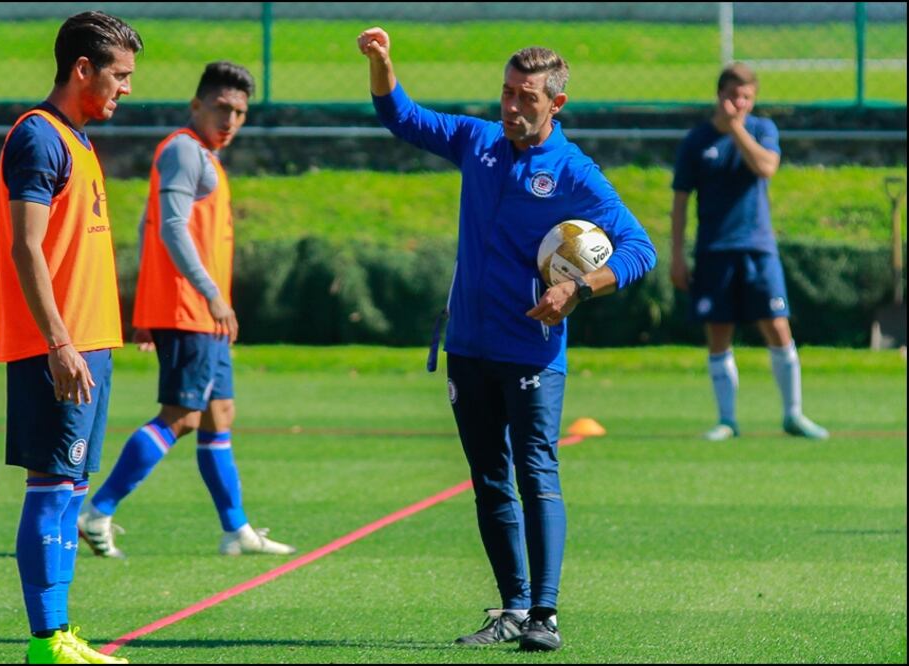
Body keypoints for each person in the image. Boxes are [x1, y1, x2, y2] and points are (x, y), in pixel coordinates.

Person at [357, 27, 656, 652]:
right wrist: (382, 64)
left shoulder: (575, 173)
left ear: (556, 105)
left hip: (532, 354)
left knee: (535, 471)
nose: (512, 107)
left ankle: (545, 613)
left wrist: (577, 290)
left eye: (526, 97)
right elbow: (401, 116)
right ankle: (513, 608)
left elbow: (639, 248)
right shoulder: (479, 142)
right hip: (468, 346)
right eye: (507, 93)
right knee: (489, 479)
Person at [78, 61, 296, 559]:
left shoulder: (203, 155)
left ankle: (235, 530)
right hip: (190, 309)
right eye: (221, 108)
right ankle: (99, 511)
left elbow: (145, 222)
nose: (231, 120)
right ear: (196, 105)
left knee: (219, 414)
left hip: (199, 313)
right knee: (181, 416)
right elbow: (170, 228)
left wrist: (145, 306)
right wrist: (209, 294)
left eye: (239, 112)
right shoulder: (183, 150)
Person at [0, 10, 141, 665]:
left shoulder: (78, 141)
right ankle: (46, 638)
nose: (127, 88)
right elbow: (27, 248)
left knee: (69, 490)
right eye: (120, 74)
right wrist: (59, 342)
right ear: (83, 68)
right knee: (51, 487)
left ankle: (61, 635)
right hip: (57, 349)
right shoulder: (39, 138)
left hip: (90, 347)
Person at [670, 63, 829, 442]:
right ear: (718, 95)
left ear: (752, 100)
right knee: (719, 332)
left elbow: (767, 167)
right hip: (713, 250)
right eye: (731, 95)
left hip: (757, 247)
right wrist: (677, 255)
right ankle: (727, 420)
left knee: (777, 326)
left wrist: (737, 128)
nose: (737, 103)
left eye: (745, 97)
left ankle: (794, 414)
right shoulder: (696, 141)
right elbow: (679, 201)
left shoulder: (761, 130)